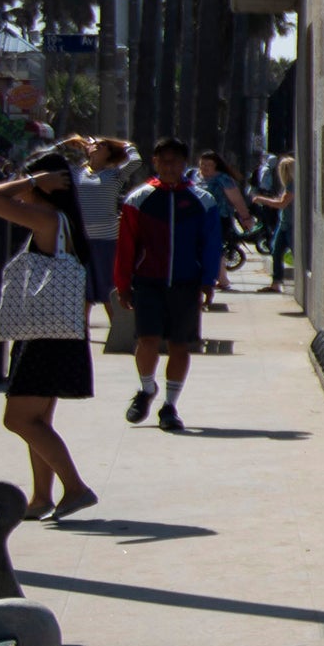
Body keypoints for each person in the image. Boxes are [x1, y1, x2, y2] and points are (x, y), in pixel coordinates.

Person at [0, 137, 114, 522]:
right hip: (54, 332)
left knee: (18, 419)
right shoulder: (65, 222)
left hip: (45, 336)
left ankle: (75, 487)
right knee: (38, 421)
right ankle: (41, 497)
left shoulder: (48, 219)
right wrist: (37, 181)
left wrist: (33, 180)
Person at [117, 136, 224, 431]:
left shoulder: (203, 201)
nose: (169, 166)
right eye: (163, 160)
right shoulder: (138, 199)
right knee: (147, 340)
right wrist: (123, 283)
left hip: (186, 283)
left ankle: (170, 406)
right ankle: (147, 389)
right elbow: (126, 246)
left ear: (184, 164)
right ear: (155, 162)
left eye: (175, 161)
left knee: (180, 345)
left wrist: (208, 281)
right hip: (148, 281)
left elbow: (211, 244)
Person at [196, 149, 254, 311]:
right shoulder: (194, 177)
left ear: (216, 165)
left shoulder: (223, 179)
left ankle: (221, 278)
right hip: (196, 219)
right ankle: (215, 277)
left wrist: (245, 217)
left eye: (209, 164)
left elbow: (236, 199)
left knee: (216, 247)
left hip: (219, 218)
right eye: (203, 164)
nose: (205, 167)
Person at [250, 153, 294, 290]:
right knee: (276, 251)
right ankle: (276, 283)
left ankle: (278, 282)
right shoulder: (288, 186)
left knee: (293, 251)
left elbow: (282, 203)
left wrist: (262, 200)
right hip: (284, 223)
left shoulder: (292, 186)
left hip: (290, 224)